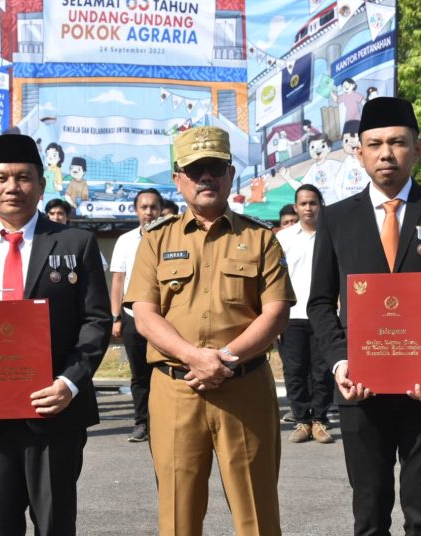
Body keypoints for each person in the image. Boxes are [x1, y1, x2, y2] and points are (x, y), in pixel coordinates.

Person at [307, 97, 421, 536]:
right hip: (361, 389)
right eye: (375, 144)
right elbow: (319, 302)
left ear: (417, 148)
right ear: (360, 152)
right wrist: (340, 362)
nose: (386, 153)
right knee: (368, 517)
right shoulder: (338, 218)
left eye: (398, 143)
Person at [0, 134, 111, 536]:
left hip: (54, 409)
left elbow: (96, 321)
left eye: (24, 177)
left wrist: (70, 383)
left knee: (55, 523)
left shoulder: (76, 243)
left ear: (41, 185)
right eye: (2, 177)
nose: (13, 187)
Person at [124, 126, 295, 535]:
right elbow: (145, 315)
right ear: (177, 178)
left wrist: (223, 360)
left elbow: (276, 313)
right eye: (195, 168)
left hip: (244, 386)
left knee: (257, 514)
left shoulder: (260, 239)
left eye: (215, 167)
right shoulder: (155, 241)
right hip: (176, 390)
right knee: (179, 514)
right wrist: (194, 358)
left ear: (231, 174)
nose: (206, 177)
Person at [276, 185, 334, 444]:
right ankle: (301, 419)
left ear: (320, 204)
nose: (308, 207)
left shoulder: (333, 234)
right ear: (296, 207)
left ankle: (320, 420)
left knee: (322, 371)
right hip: (292, 314)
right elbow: (274, 279)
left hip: (325, 314)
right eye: (303, 203)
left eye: (312, 202)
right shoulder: (284, 238)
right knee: (295, 370)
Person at [109, 188, 163, 442]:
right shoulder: (125, 241)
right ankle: (142, 423)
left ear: (161, 209)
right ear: (136, 210)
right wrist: (116, 316)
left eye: (153, 207)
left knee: (166, 372)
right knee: (139, 374)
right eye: (144, 207)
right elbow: (118, 281)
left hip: (165, 317)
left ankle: (167, 424)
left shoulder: (171, 238)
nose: (149, 212)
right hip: (133, 317)